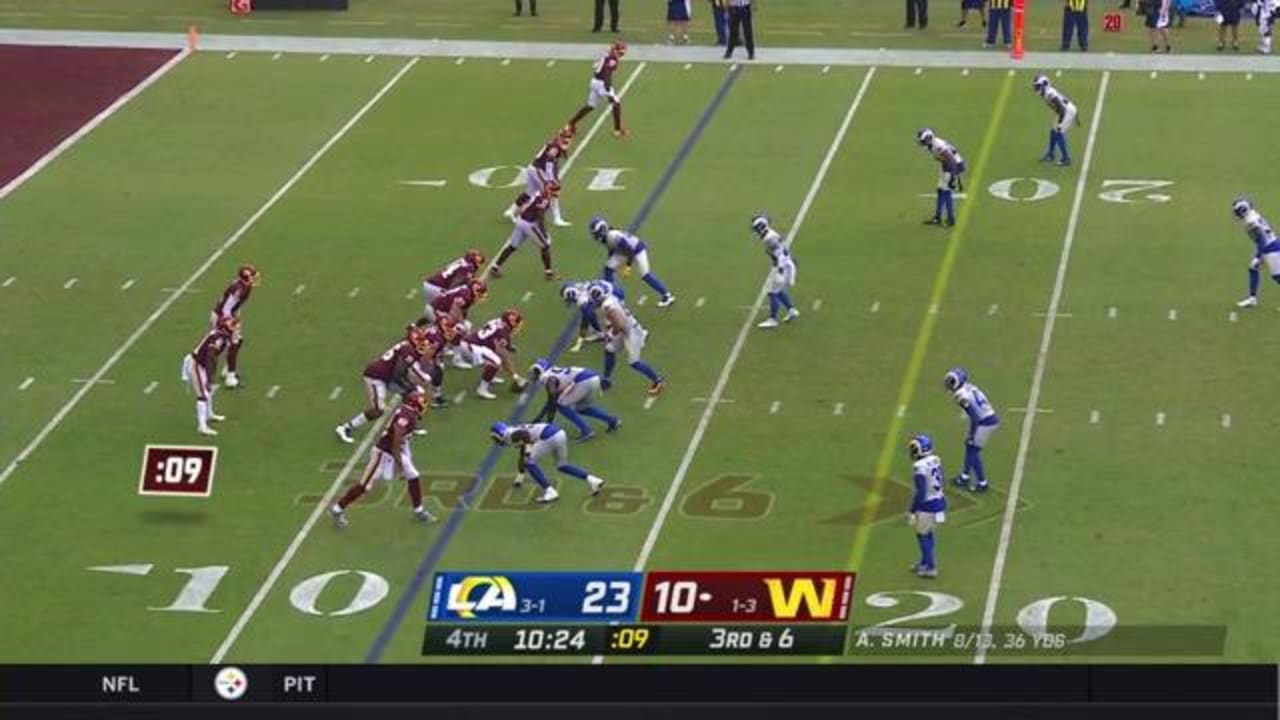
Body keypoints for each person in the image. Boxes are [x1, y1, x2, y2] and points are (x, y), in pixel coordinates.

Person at [329, 389, 436, 527]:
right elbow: (396, 438)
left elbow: (399, 432)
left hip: (395, 450)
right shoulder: (406, 416)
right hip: (384, 452)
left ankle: (419, 511)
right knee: (365, 485)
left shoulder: (406, 412)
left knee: (413, 475)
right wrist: (398, 462)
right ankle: (337, 509)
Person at [490, 422, 606, 503]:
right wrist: (520, 474)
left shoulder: (510, 434)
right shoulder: (511, 432)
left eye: (495, 438)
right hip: (559, 433)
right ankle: (593, 480)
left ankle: (550, 491)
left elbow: (524, 436)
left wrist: (529, 449)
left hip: (548, 437)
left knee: (529, 462)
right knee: (562, 465)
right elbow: (522, 451)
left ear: (499, 434)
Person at [589, 215, 676, 307]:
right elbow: (612, 249)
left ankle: (667, 296)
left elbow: (630, 251)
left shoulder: (612, 235)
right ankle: (613, 295)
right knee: (608, 268)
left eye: (596, 233)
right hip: (623, 251)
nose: (595, 235)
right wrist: (611, 260)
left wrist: (627, 267)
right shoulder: (606, 237)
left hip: (637, 250)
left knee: (645, 274)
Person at [943, 368, 999, 492]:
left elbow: (975, 417)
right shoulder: (969, 387)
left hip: (985, 423)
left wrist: (972, 433)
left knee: (973, 450)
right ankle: (964, 476)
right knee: (969, 447)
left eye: (951, 381)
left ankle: (982, 483)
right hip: (987, 418)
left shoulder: (960, 395)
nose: (949, 384)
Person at [209, 263, 258, 389]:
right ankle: (229, 377)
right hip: (222, 317)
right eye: (253, 276)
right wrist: (229, 323)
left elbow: (235, 305)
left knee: (237, 342)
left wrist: (236, 317)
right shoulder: (240, 289)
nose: (255, 278)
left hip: (229, 314)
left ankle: (228, 370)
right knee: (231, 343)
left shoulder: (243, 285)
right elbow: (226, 308)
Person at [906, 434, 946, 578]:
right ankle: (924, 562)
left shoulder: (919, 467)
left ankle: (931, 566)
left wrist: (912, 511)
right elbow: (943, 480)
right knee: (928, 534)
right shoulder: (935, 459)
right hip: (940, 501)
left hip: (928, 506)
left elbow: (920, 492)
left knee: (922, 536)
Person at [749, 213, 799, 329]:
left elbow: (780, 255)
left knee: (772, 292)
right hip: (786, 264)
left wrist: (780, 271)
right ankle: (791, 310)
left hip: (783, 266)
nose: (755, 231)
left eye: (756, 228)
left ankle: (773, 319)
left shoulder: (769, 238)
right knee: (778, 290)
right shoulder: (769, 234)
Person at [1231, 198, 1280, 308]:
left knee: (1277, 276)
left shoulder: (1250, 222)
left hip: (1270, 248)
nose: (1237, 214)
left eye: (1237, 212)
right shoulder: (1253, 214)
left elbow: (1262, 239)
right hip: (1270, 245)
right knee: (1253, 268)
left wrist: (1258, 256)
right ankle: (1252, 299)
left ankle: (1252, 299)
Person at [916, 128, 965, 227]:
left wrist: (953, 177)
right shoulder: (932, 144)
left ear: (929, 138)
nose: (922, 143)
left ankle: (951, 219)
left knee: (946, 191)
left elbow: (951, 160)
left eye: (924, 140)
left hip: (952, 167)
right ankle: (938, 217)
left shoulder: (938, 145)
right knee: (940, 190)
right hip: (947, 166)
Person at [1032, 74, 1079, 166]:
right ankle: (1051, 154)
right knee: (1053, 132)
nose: (1036, 88)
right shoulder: (1048, 92)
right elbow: (1064, 101)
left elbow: (1062, 108)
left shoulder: (1049, 93)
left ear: (1044, 85)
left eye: (1038, 86)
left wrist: (1060, 123)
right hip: (1066, 110)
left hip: (1066, 112)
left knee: (1059, 132)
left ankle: (1066, 158)